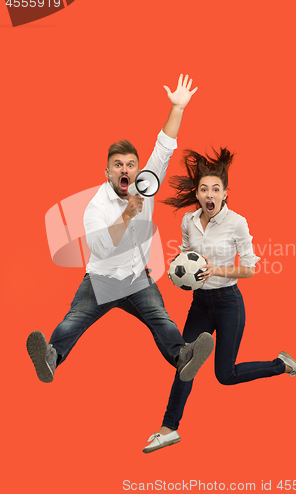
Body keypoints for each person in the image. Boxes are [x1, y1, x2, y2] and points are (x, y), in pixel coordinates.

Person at [26, 75, 214, 385]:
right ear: (108, 172)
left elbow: (163, 147)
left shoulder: (145, 185)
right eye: (117, 164)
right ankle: (50, 357)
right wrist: (126, 216)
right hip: (101, 280)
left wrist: (178, 108)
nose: (124, 169)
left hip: (136, 278)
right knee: (73, 321)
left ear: (138, 170)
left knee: (162, 321)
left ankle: (184, 357)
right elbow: (99, 248)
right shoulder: (96, 206)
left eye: (130, 164)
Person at [143, 147, 296, 453]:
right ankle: (168, 429)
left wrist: (215, 269)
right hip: (200, 305)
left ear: (225, 193)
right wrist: (178, 275)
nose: (209, 193)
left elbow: (251, 268)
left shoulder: (237, 222)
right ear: (198, 194)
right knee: (184, 363)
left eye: (216, 188)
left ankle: (281, 365)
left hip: (229, 303)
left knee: (225, 376)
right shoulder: (189, 221)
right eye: (204, 189)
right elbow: (186, 258)